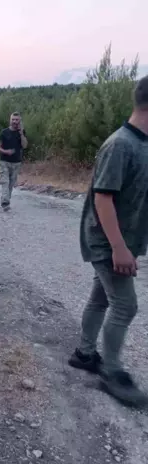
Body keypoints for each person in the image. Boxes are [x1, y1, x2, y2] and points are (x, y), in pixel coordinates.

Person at [69, 74, 148, 407]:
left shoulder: (141, 144)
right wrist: (118, 247)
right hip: (108, 241)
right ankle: (111, 371)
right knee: (125, 305)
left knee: (102, 298)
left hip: (122, 240)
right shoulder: (120, 145)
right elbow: (103, 199)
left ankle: (85, 354)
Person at [0, 112, 28, 211]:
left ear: (19, 121)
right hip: (4, 161)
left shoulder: (21, 132)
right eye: (13, 119)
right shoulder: (4, 132)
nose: (14, 121)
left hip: (16, 163)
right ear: (10, 120)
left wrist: (22, 134)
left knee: (11, 184)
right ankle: (5, 202)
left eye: (16, 120)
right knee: (5, 182)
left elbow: (25, 145)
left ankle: (6, 200)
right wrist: (5, 151)